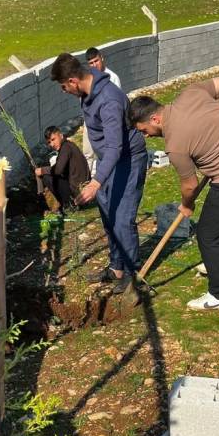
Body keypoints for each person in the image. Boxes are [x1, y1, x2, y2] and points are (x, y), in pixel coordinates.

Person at [128, 76, 219, 311]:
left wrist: (187, 205)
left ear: (155, 119)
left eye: (144, 130)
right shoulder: (191, 93)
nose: (146, 136)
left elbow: (190, 185)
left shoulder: (175, 144)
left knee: (208, 235)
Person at [51, 52, 147, 294]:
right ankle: (116, 267)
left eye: (64, 86)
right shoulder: (89, 89)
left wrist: (95, 183)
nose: (64, 91)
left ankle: (132, 274)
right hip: (109, 161)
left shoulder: (109, 100)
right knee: (108, 212)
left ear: (73, 81)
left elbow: (115, 147)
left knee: (122, 218)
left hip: (127, 159)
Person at [82, 48, 121, 170]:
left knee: (106, 151)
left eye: (96, 61)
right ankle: (87, 178)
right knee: (87, 153)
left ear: (102, 58)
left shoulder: (112, 77)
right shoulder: (88, 78)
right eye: (91, 63)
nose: (94, 65)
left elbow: (117, 102)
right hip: (90, 120)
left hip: (105, 121)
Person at [35, 125, 90, 209]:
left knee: (47, 177)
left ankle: (68, 205)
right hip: (83, 188)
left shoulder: (65, 148)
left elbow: (57, 170)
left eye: (53, 139)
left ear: (61, 136)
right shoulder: (69, 145)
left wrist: (42, 170)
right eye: (49, 142)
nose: (52, 144)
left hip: (79, 192)